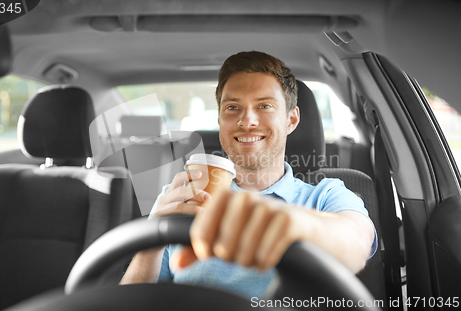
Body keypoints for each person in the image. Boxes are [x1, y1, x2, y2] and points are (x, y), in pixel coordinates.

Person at [120, 51, 377, 298]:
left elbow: (357, 242)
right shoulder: (182, 195)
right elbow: (129, 303)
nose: (247, 121)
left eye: (264, 105)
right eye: (232, 108)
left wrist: (292, 224)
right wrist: (151, 244)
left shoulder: (326, 194)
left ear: (291, 120)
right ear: (220, 120)